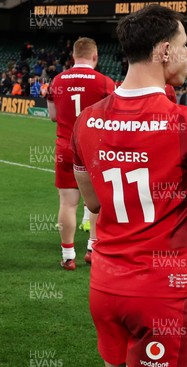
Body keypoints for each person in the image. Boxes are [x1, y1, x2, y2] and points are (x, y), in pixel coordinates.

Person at [71, 5, 187, 367]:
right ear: (164, 50)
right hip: (160, 294)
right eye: (184, 46)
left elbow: (94, 203)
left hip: (106, 287)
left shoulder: (86, 122)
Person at [47, 37, 115, 270]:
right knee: (96, 202)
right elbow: (113, 118)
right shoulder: (105, 82)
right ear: (95, 56)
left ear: (73, 56)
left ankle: (67, 256)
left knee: (67, 203)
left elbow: (53, 116)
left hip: (65, 146)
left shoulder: (57, 80)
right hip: (93, 148)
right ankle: (92, 249)